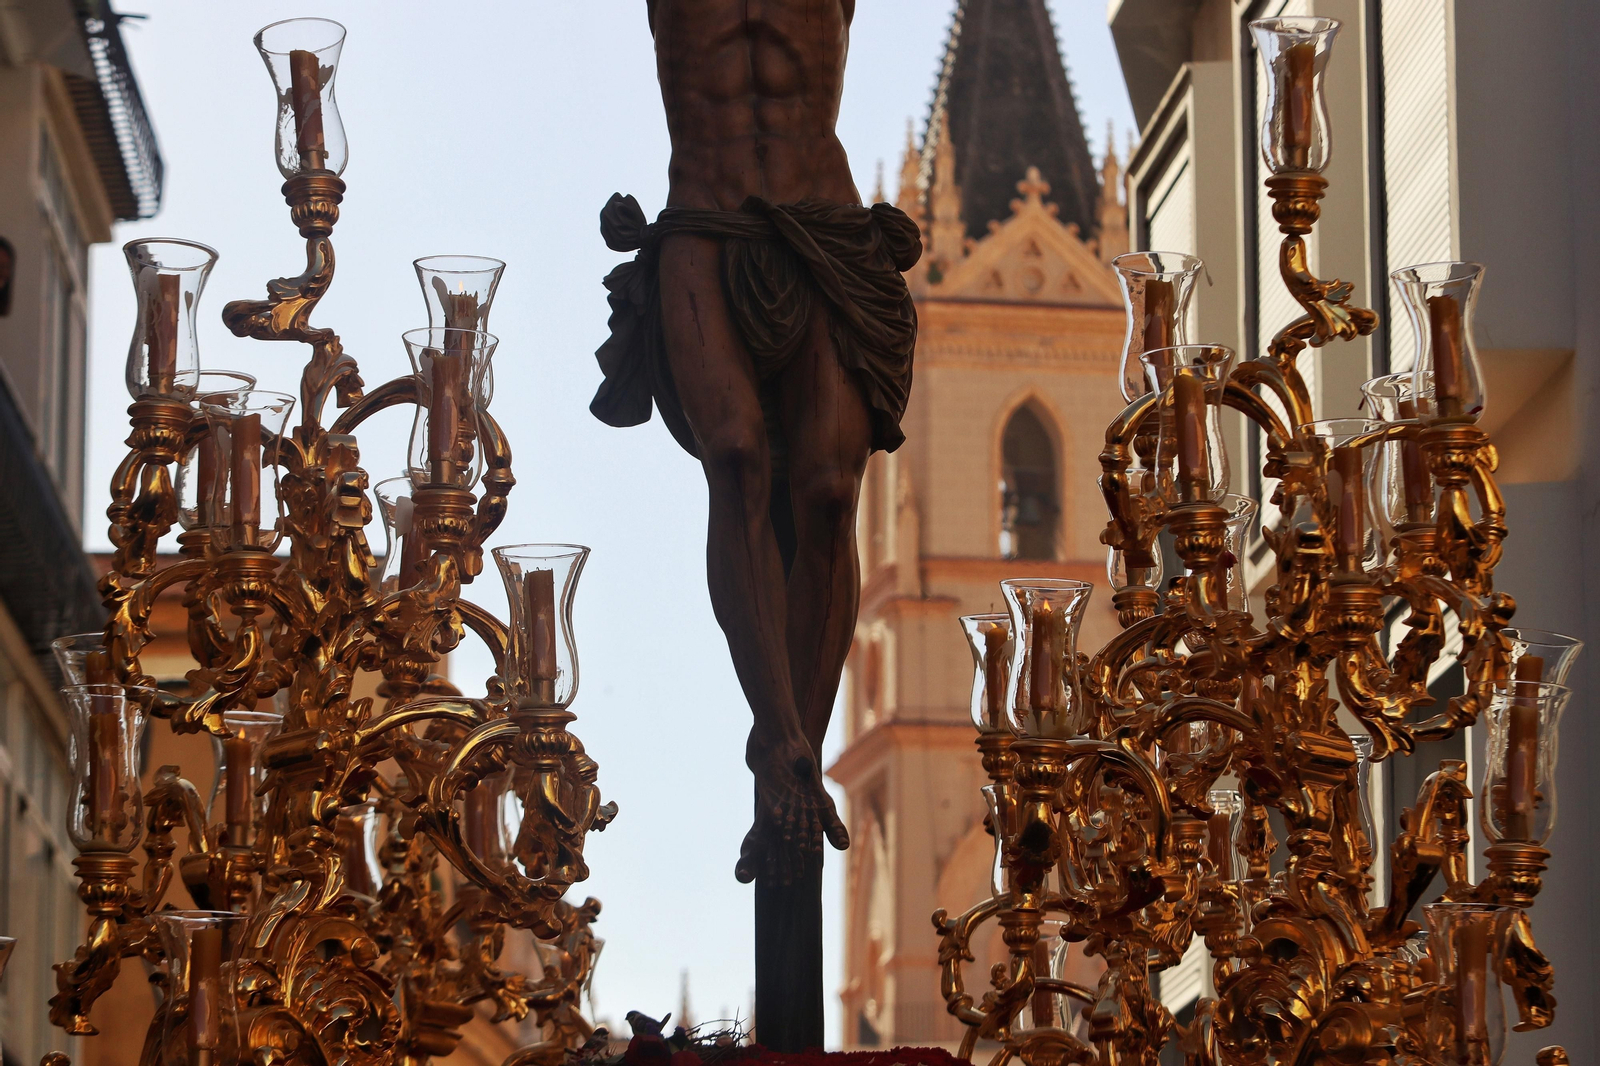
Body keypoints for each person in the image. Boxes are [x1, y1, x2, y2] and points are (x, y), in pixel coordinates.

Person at [591, 0, 920, 884]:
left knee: (826, 493)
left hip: (826, 227)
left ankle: (793, 755)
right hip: (704, 220)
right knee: (734, 457)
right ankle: (785, 747)